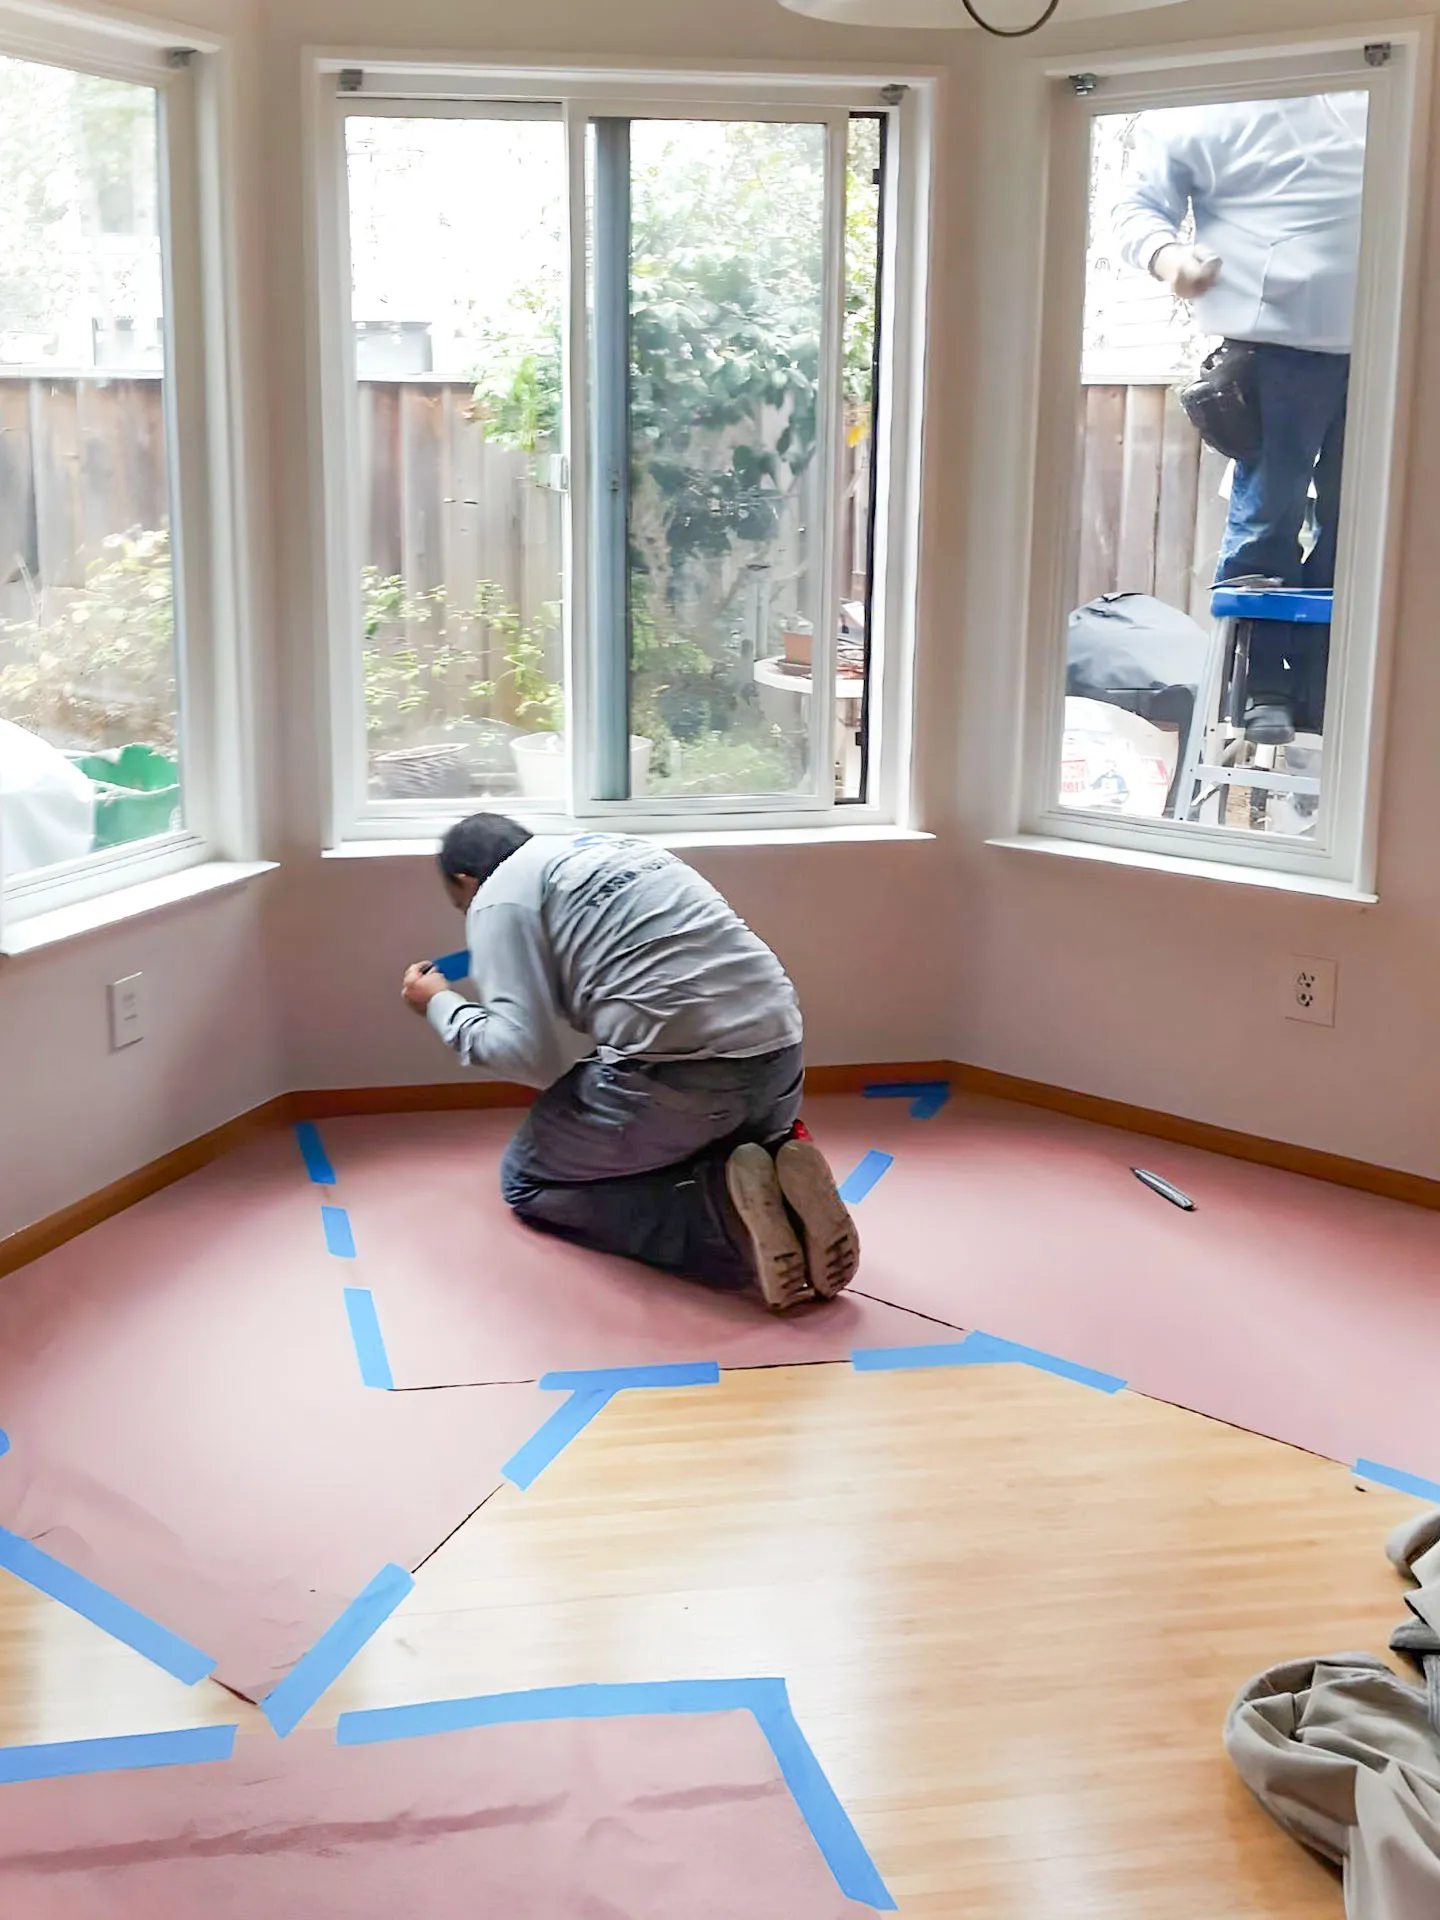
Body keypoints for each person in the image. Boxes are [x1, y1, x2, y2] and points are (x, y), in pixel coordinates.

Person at [399, 814, 861, 1312]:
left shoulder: (497, 896)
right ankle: (780, 1166)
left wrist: (440, 1002)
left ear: (466, 881)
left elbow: (525, 1057)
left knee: (525, 1179)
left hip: (682, 1083)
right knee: (661, 1100)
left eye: (462, 903)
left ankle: (724, 1219)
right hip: (781, 1061)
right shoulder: (618, 849)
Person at [1112, 93, 1368, 743]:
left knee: (1364, 528)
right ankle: (1266, 690)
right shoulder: (1201, 107)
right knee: (1268, 521)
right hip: (1275, 352)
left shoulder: (1371, 88)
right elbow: (1136, 208)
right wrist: (1175, 263)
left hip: (1389, 341)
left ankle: (1329, 685)